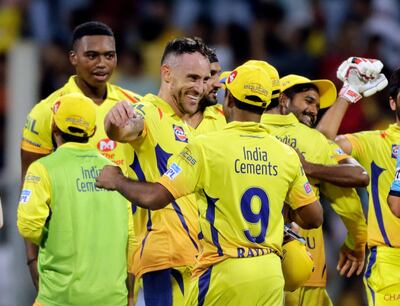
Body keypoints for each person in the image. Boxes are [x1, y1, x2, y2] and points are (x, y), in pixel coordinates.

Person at [96, 62, 323, 305]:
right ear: (267, 105)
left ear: (230, 100)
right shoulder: (286, 154)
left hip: (223, 271)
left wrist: (118, 180)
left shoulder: (206, 147)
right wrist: (280, 216)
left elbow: (155, 197)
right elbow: (314, 217)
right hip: (269, 272)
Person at [20, 21, 141, 291]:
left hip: (120, 249)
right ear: (73, 58)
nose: (102, 63)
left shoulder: (134, 107)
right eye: (91, 55)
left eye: (109, 55)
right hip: (66, 254)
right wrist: (32, 261)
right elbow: (27, 186)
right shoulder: (46, 111)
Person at [104, 37, 225, 306]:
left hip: (201, 260)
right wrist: (113, 122)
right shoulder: (146, 113)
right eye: (192, 77)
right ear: (167, 74)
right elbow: (123, 129)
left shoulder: (194, 126)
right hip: (164, 260)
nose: (200, 87)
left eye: (205, 79)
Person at [17, 93, 135, 306]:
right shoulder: (117, 171)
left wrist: (56, 237)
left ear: (54, 128)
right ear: (93, 131)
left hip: (59, 298)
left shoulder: (42, 169)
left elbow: (28, 227)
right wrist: (130, 293)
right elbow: (132, 236)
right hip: (112, 298)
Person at [261, 72, 369, 306]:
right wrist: (357, 241)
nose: (313, 110)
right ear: (283, 100)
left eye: (317, 106)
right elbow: (350, 202)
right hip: (304, 266)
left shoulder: (244, 132)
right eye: (308, 101)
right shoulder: (315, 142)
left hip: (248, 264)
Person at [322, 63, 400, 306]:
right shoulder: (376, 142)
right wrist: (348, 94)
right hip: (391, 264)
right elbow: (321, 143)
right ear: (393, 103)